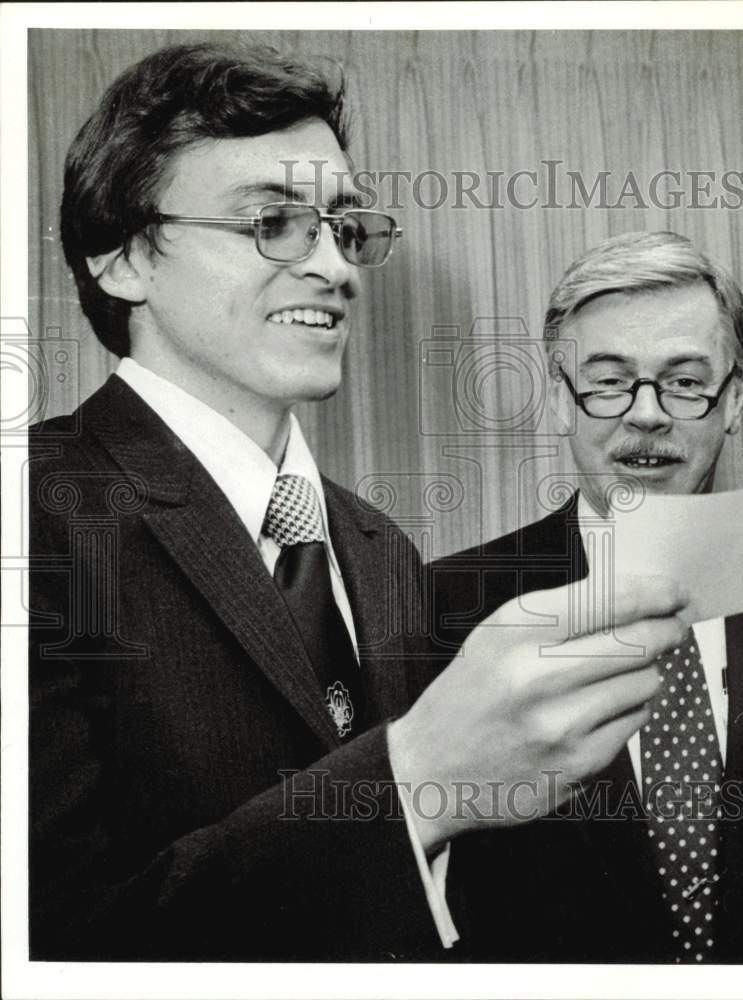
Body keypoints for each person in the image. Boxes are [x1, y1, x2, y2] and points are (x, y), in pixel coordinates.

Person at [29, 44, 690, 962]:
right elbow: (53, 948)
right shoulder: (35, 513)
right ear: (123, 258)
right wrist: (420, 775)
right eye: (273, 221)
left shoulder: (376, 546)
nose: (335, 267)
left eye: (345, 226)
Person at [430, 231, 743, 964]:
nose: (646, 414)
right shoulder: (444, 605)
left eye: (684, 381)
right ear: (559, 401)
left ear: (732, 400)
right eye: (607, 381)